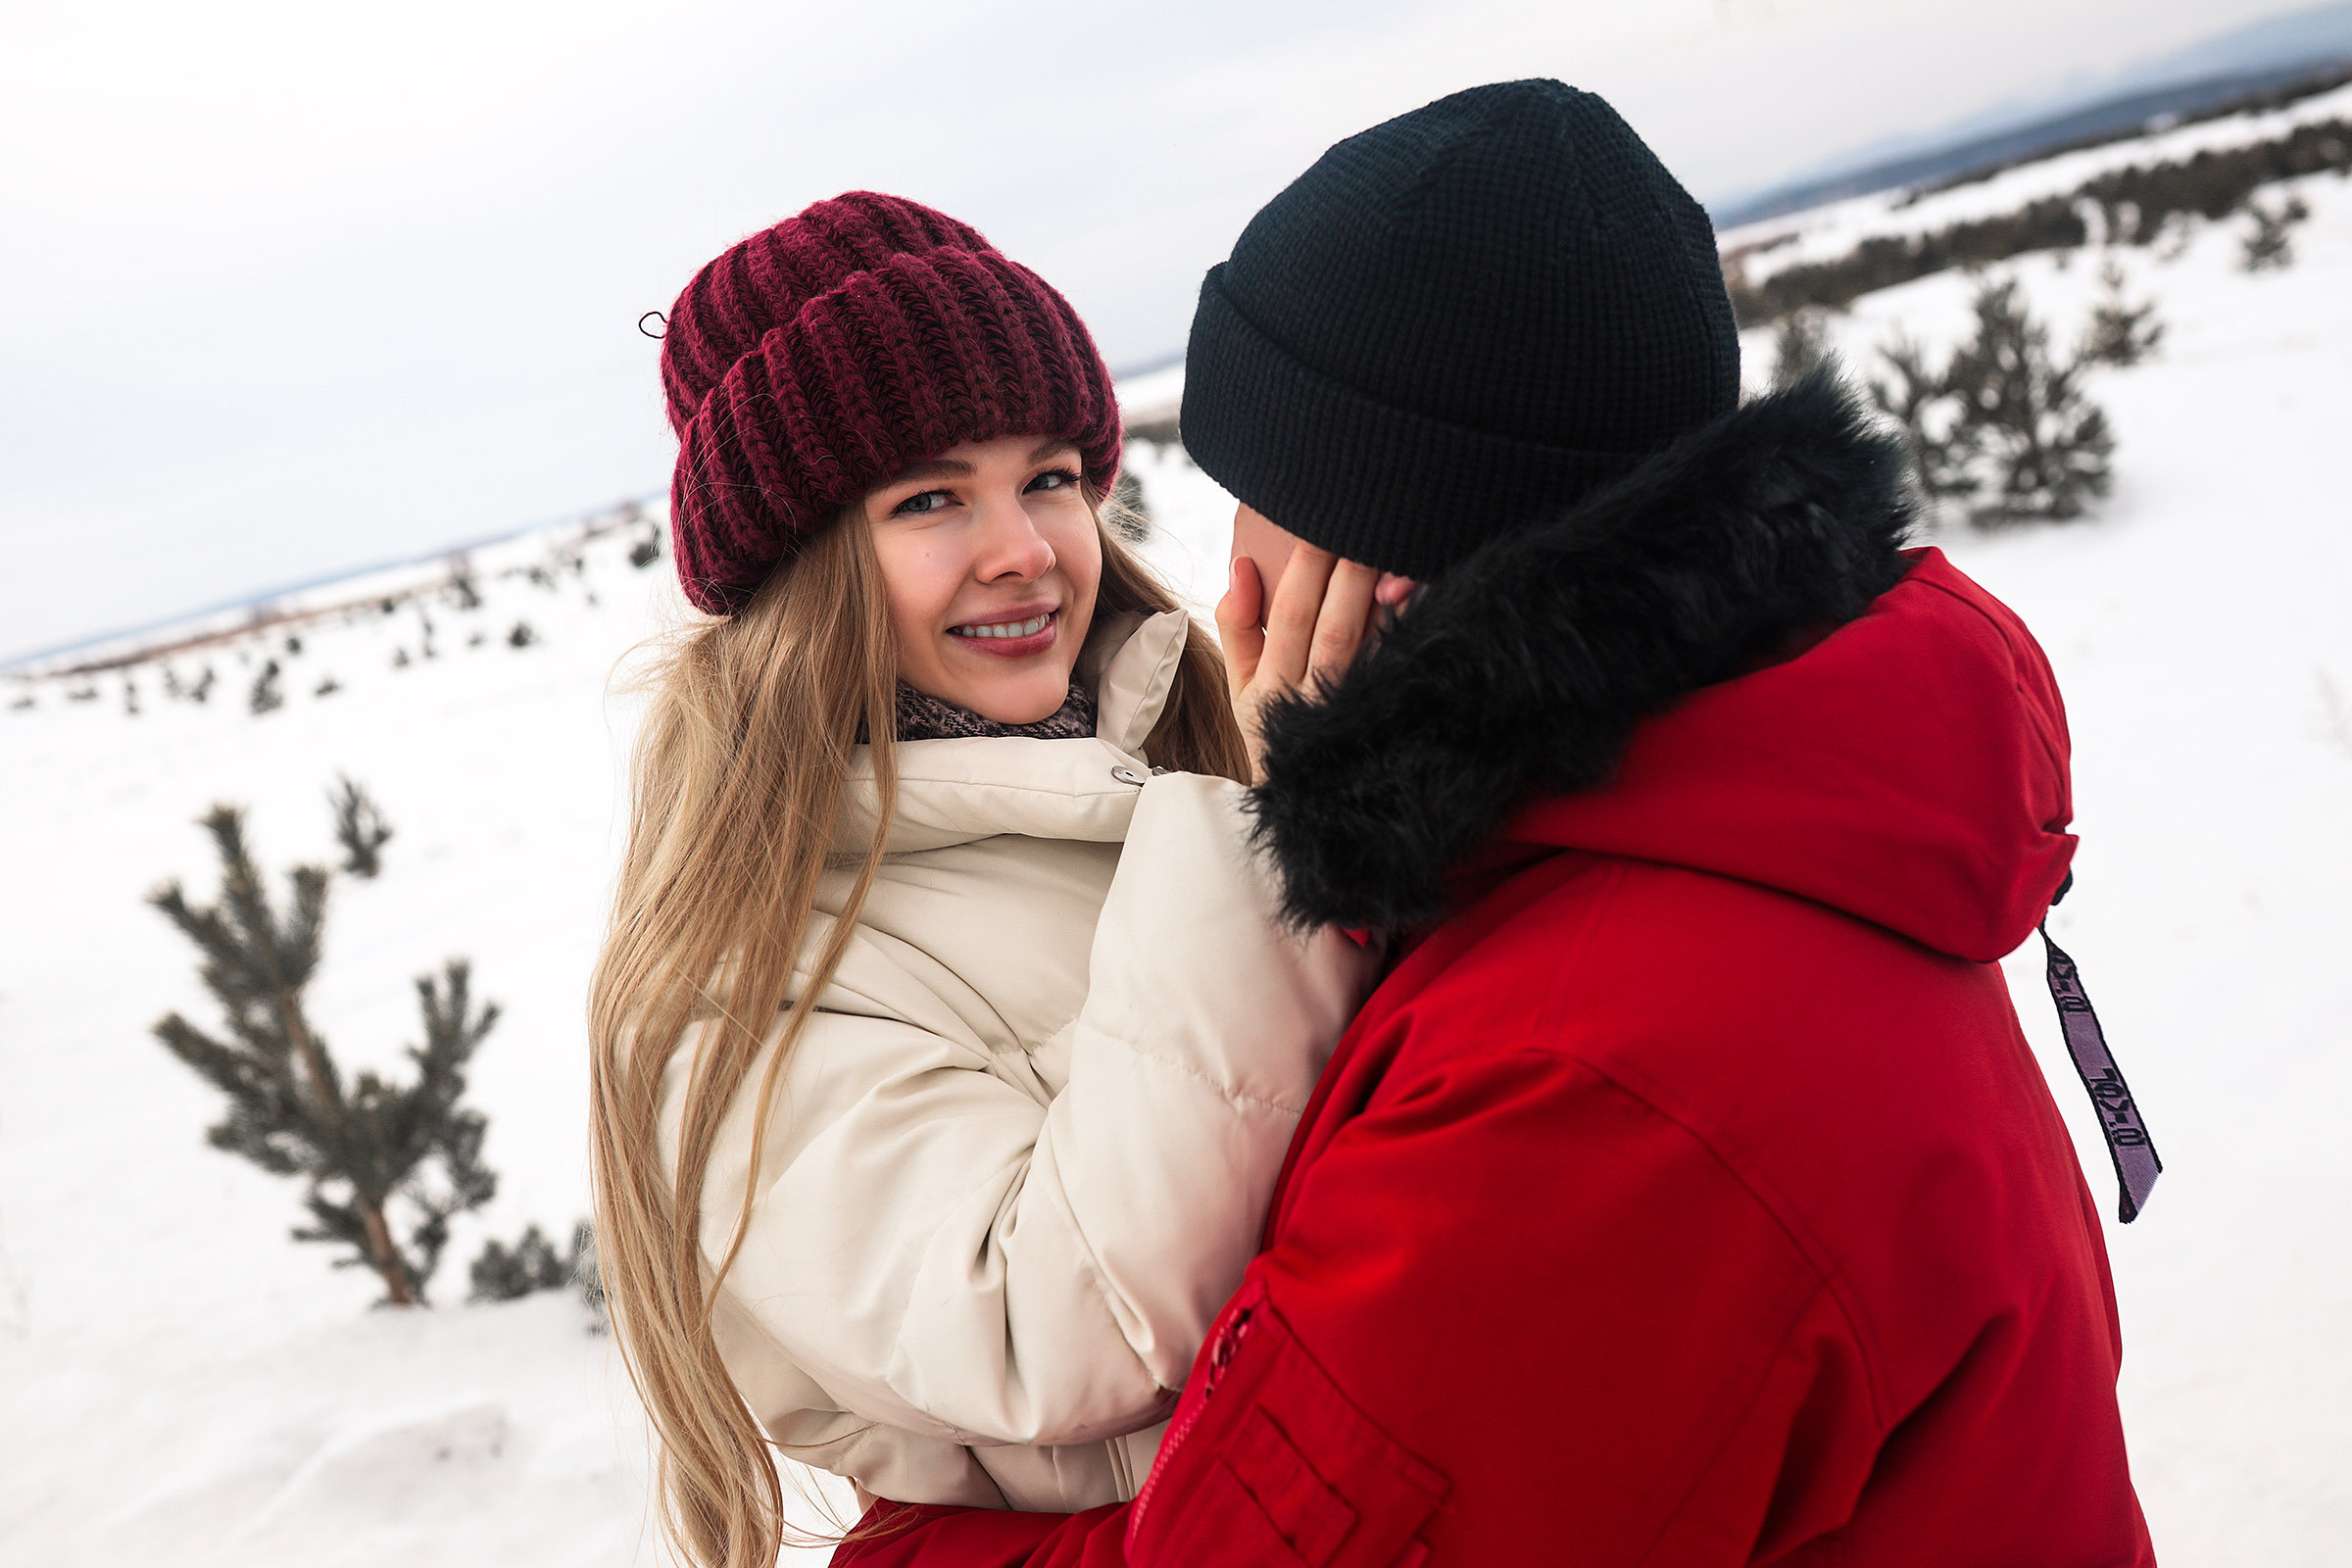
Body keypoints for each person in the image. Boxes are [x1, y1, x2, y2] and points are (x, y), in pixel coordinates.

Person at [836, 80, 2156, 1566]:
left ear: (1375, 564)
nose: (1222, 569)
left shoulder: (1585, 1091)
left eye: (1251, 494)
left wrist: (912, 1539)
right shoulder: (1728, 837)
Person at [586, 193, 1376, 1568]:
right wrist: (1250, 843)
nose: (1025, 549)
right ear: (806, 569)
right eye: (933, 498)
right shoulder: (746, 980)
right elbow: (1050, 1329)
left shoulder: (1180, 758)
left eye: (1052, 474)